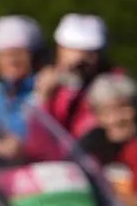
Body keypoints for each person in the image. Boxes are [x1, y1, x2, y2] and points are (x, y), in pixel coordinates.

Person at [0, 15, 46, 159]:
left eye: (19, 54)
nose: (12, 61)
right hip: (1, 167)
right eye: (4, 55)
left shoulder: (44, 86)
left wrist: (20, 140)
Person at [38, 14, 110, 144]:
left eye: (90, 53)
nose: (82, 60)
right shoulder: (45, 83)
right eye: (74, 51)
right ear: (60, 50)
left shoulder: (112, 85)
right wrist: (43, 98)